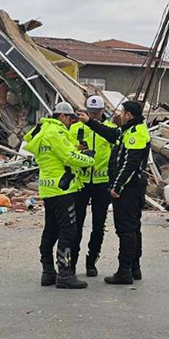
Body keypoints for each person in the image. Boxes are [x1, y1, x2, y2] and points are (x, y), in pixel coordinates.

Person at [23, 101, 96, 289]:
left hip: (48, 187)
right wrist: (89, 158)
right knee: (68, 230)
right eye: (70, 118)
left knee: (51, 229)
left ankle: (48, 271)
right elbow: (68, 157)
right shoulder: (56, 132)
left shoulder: (41, 132)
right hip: (62, 188)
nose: (71, 122)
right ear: (62, 116)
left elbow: (56, 153)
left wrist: (73, 148)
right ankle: (64, 273)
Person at [82, 99, 151, 283]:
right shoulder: (128, 130)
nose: (119, 115)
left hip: (129, 188)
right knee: (133, 228)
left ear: (129, 115)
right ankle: (134, 268)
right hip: (131, 186)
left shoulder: (135, 134)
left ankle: (124, 271)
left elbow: (130, 163)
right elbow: (111, 134)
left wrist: (117, 186)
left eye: (122, 112)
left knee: (126, 229)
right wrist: (90, 122)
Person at [69, 94, 114, 276]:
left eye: (96, 113)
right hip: (81, 183)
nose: (93, 115)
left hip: (102, 183)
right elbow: (67, 151)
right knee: (76, 225)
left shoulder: (109, 128)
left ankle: (91, 260)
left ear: (103, 111)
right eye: (90, 112)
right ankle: (72, 262)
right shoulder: (75, 129)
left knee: (98, 225)